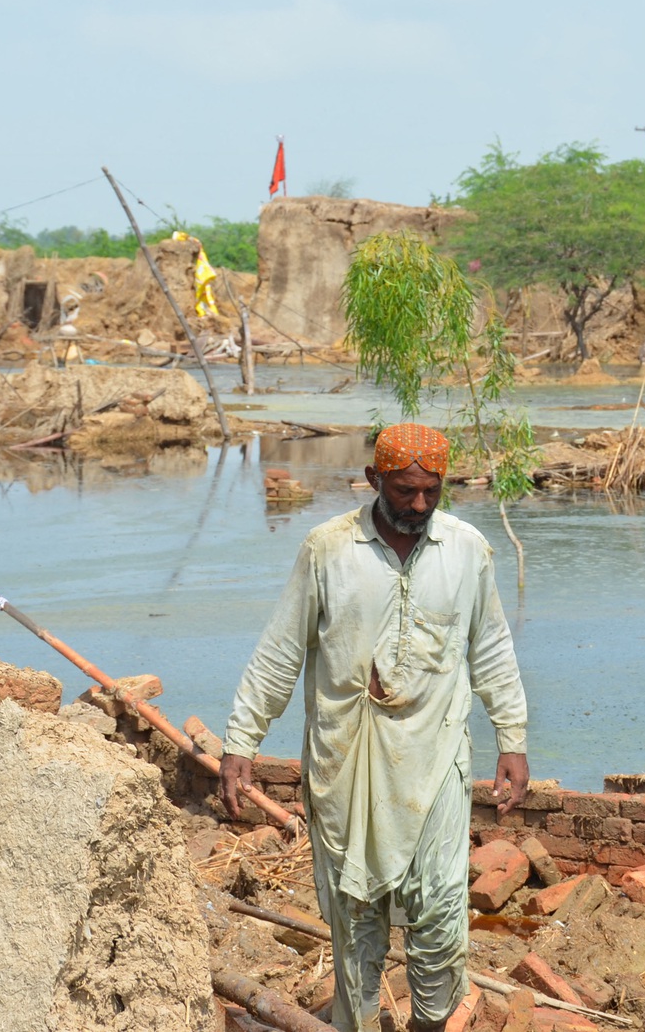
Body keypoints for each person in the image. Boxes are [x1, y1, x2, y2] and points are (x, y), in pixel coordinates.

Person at [219, 423, 530, 1032]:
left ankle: (431, 1024)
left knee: (440, 910)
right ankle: (355, 1022)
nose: (418, 504)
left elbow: (490, 647)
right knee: (354, 912)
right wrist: (241, 742)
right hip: (347, 759)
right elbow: (282, 650)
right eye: (404, 490)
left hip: (436, 753)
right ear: (373, 481)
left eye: (431, 492)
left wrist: (511, 738)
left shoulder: (468, 550)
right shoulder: (328, 548)